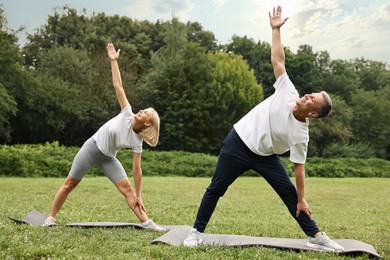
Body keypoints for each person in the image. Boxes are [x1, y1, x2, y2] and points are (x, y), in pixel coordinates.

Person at [183, 6, 344, 252]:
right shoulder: (288, 91)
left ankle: (316, 235)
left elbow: (299, 168)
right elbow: (278, 59)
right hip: (239, 141)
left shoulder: (301, 134)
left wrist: (302, 198)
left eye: (313, 100)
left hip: (266, 156)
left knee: (290, 194)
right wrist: (276, 30)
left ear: (313, 114)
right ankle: (195, 232)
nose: (308, 95)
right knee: (217, 188)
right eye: (311, 94)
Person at [43, 43, 165, 231]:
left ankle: (147, 222)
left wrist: (139, 195)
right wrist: (113, 61)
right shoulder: (127, 113)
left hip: (108, 157)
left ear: (147, 123)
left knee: (128, 191)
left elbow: (137, 169)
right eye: (142, 110)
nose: (140, 111)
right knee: (69, 184)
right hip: (92, 148)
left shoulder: (137, 140)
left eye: (145, 113)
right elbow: (118, 85)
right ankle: (50, 218)